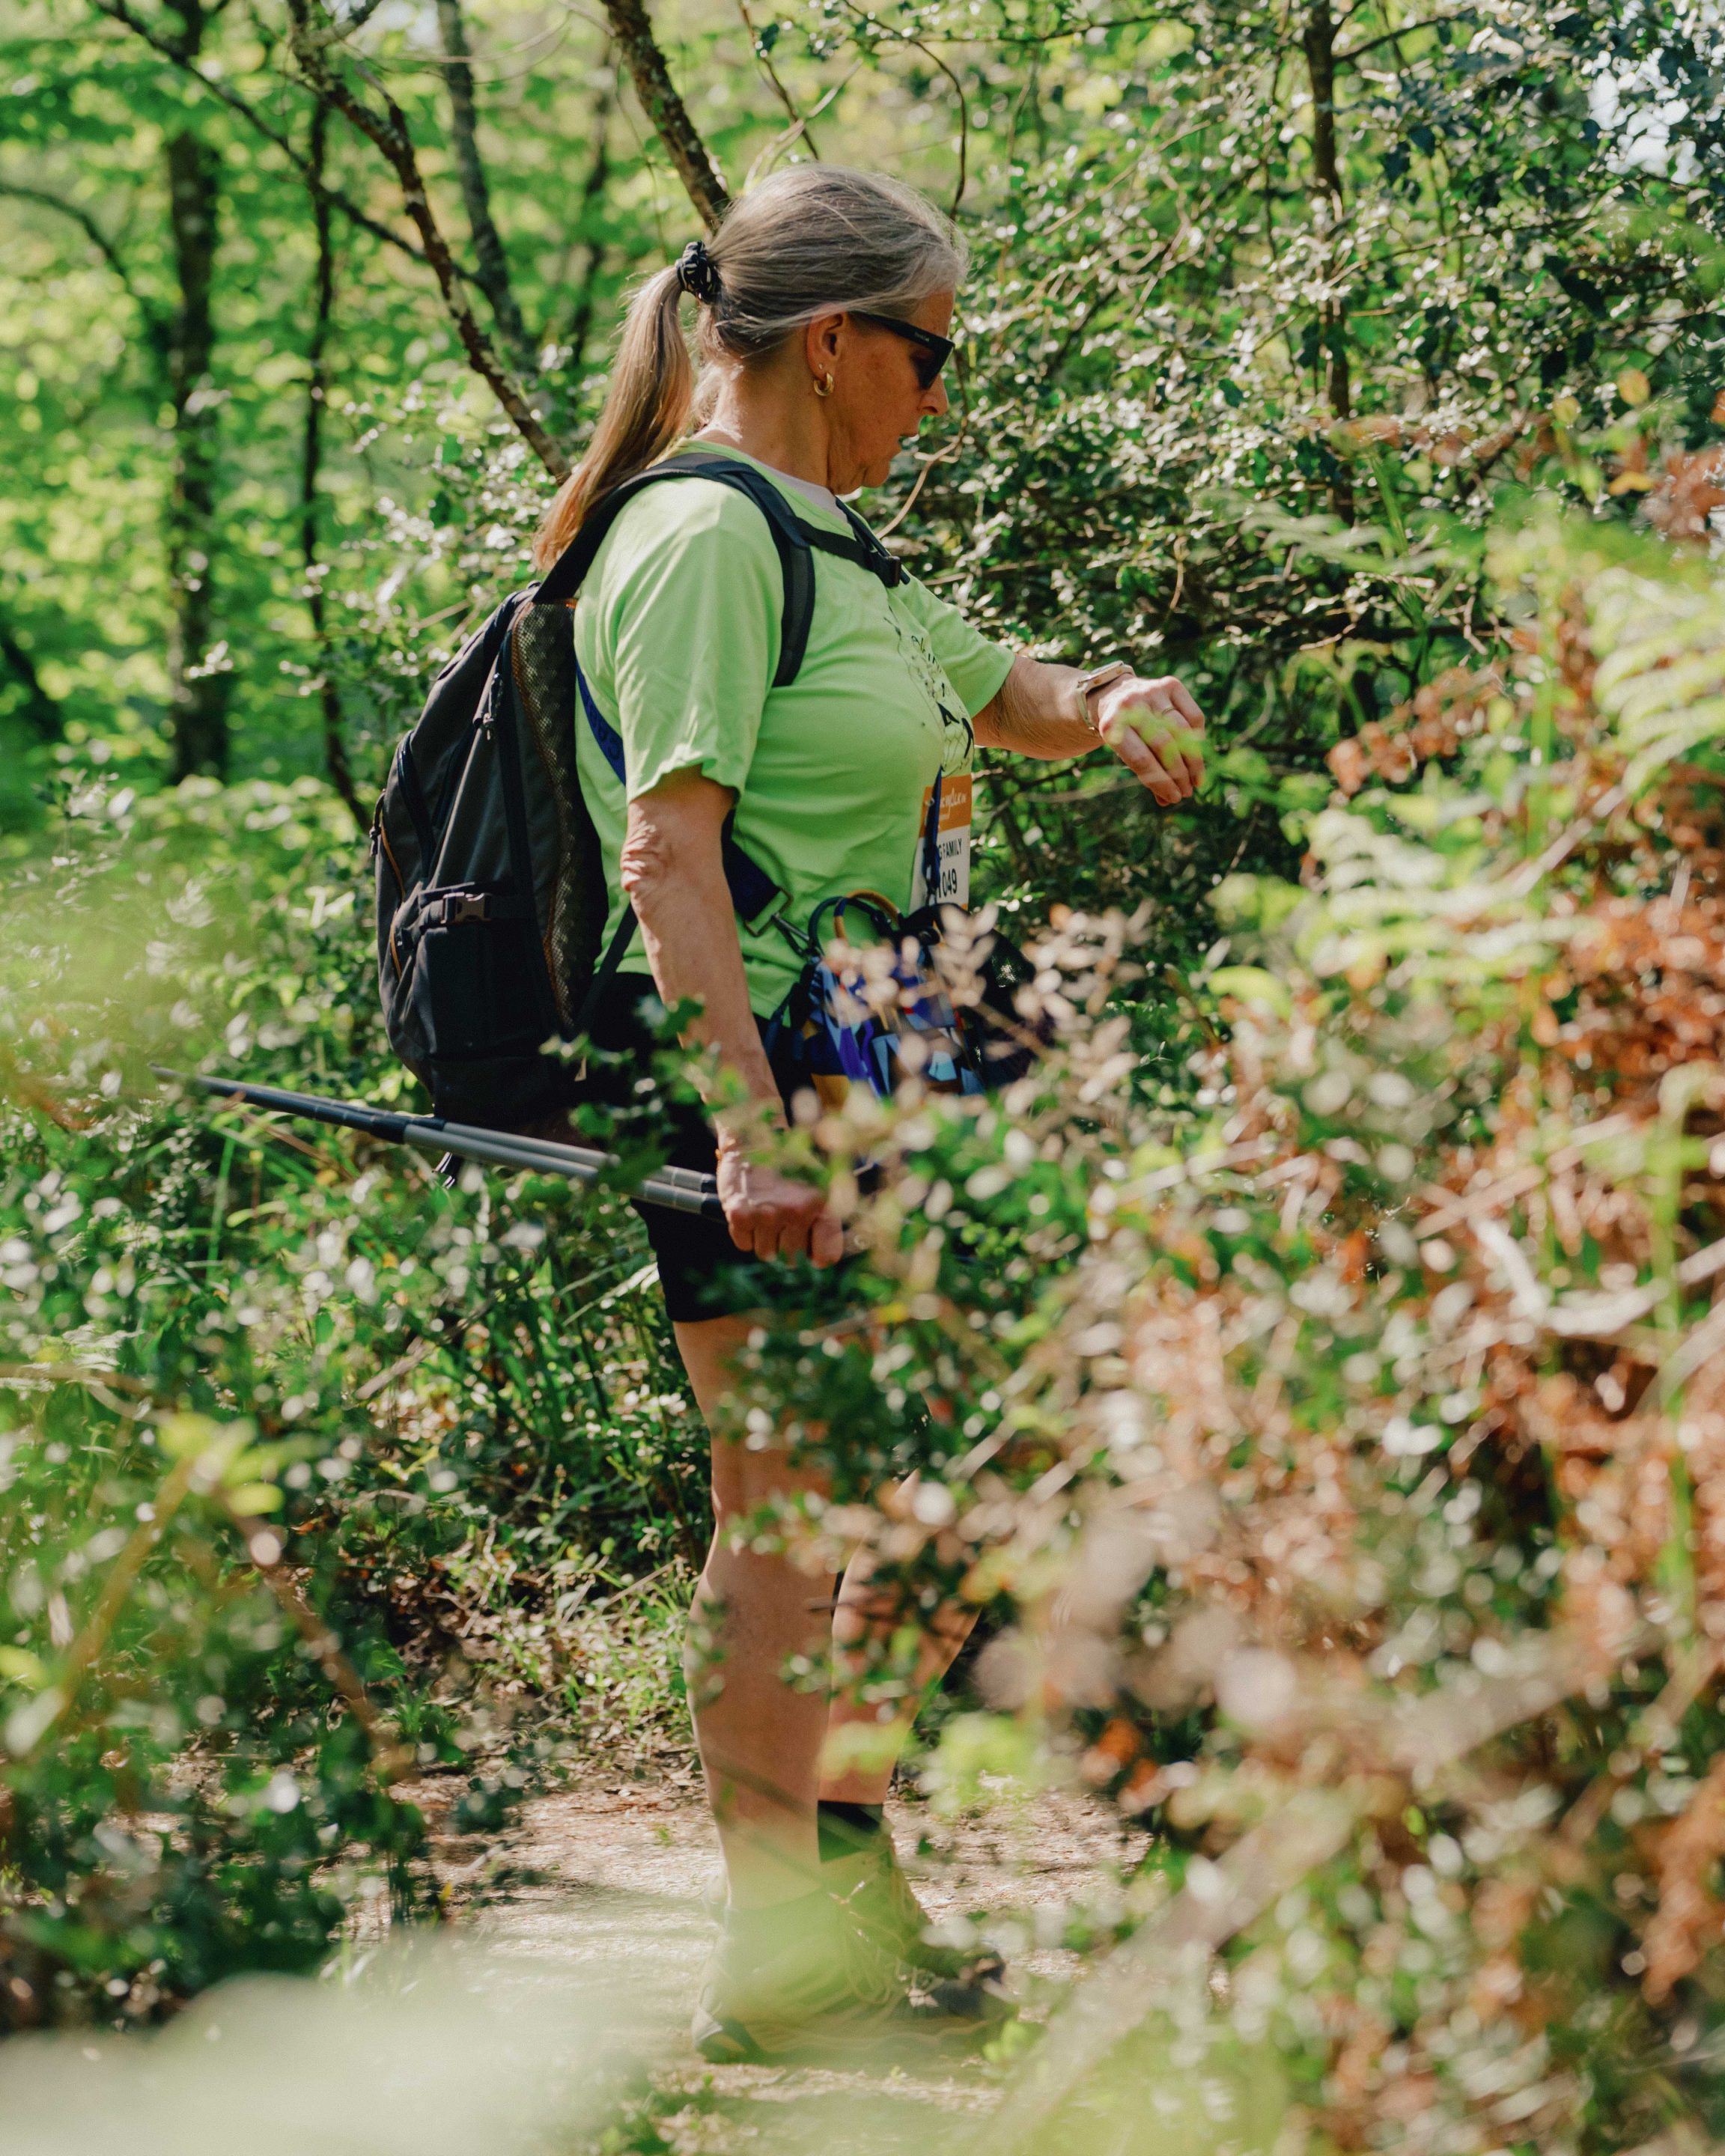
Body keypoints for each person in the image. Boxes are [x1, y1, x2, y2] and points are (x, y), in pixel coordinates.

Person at [532, 164, 1204, 2062]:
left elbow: (1005, 697)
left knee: (960, 1463)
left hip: (888, 1054)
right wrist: (746, 1128)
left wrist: (1110, 697)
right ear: (832, 343)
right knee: (784, 1499)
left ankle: (838, 1851)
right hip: (764, 1061)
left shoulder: (839, 545)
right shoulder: (705, 536)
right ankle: (778, 1951)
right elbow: (669, 852)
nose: (942, 395)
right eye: (931, 356)